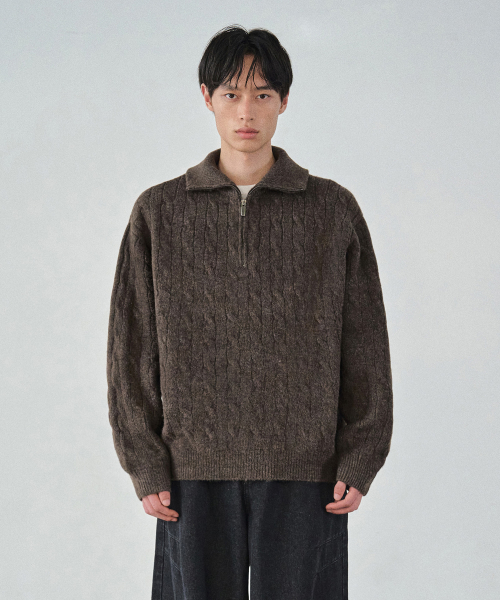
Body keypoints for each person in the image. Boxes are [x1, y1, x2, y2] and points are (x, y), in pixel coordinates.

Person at [106, 24, 393, 600]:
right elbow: (131, 347)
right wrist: (145, 461)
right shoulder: (159, 212)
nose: (246, 111)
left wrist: (360, 455)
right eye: (231, 93)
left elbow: (364, 343)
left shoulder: (331, 209)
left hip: (307, 469)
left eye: (263, 94)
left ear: (284, 101)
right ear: (206, 97)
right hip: (191, 469)